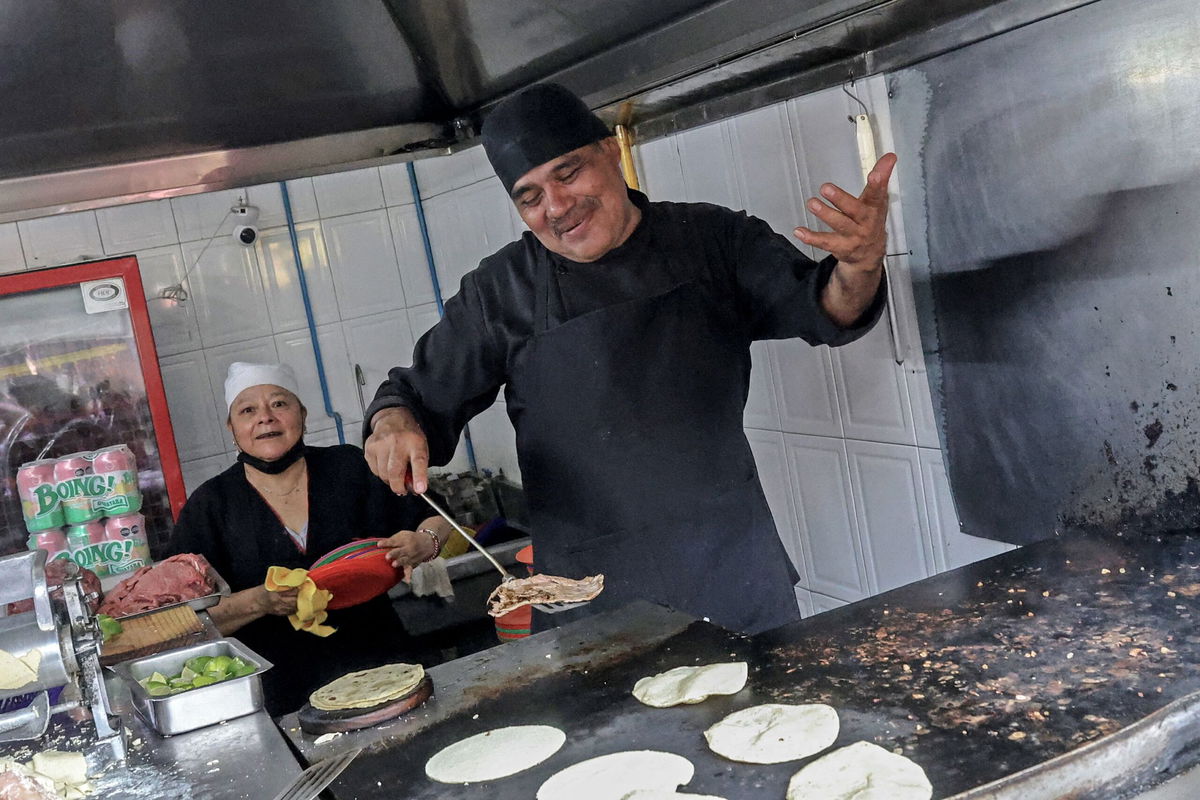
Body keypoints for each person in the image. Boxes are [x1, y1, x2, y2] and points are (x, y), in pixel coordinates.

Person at [363, 83, 895, 635]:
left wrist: (859, 267)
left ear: (611, 153)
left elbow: (824, 308)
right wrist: (393, 423)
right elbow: (414, 396)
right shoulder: (501, 291)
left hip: (732, 571)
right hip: (587, 599)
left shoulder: (713, 238)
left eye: (568, 174)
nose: (557, 207)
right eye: (530, 197)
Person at [167, 362, 453, 715]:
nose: (265, 418)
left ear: (301, 413)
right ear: (232, 427)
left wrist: (426, 542)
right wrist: (260, 601)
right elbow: (183, 619)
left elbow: (437, 515)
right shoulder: (211, 505)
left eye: (279, 404)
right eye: (248, 410)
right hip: (282, 699)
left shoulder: (347, 467)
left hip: (385, 669)